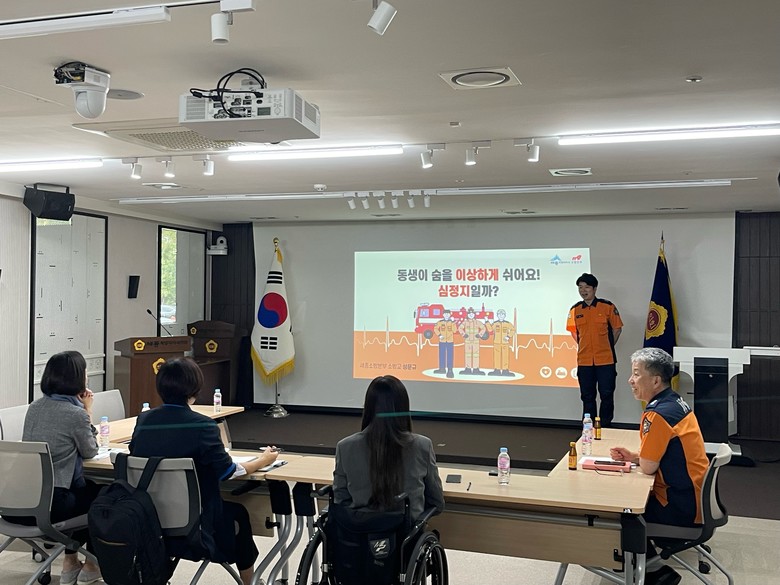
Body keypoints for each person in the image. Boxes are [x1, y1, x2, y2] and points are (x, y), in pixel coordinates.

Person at [129, 358, 278, 585]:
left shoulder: (144, 420)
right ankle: (250, 582)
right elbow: (228, 471)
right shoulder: (203, 425)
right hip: (196, 524)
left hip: (148, 519)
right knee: (238, 513)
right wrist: (263, 460)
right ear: (195, 388)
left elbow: (135, 456)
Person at [610, 348, 708, 585]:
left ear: (655, 381)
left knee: (619, 510)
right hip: (696, 498)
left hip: (680, 506)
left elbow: (648, 468)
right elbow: (662, 455)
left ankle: (656, 572)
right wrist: (635, 456)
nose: (630, 380)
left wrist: (641, 460)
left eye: (636, 374)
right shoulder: (676, 402)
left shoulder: (658, 414)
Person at [17, 351, 102, 585]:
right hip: (51, 505)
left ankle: (70, 562)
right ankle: (91, 564)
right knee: (104, 497)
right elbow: (90, 451)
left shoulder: (35, 407)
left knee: (85, 492)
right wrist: (88, 411)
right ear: (78, 377)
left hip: (19, 503)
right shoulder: (75, 414)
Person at [333, 375, 444, 523]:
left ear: (368, 406)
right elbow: (437, 502)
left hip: (359, 532)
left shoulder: (345, 447)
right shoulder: (422, 446)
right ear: (403, 407)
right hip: (406, 532)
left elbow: (340, 500)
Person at [566, 273, 623, 426]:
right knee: (587, 396)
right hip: (584, 361)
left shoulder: (607, 306)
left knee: (606, 395)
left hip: (606, 360)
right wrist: (584, 346)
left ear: (595, 289)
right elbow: (573, 332)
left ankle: (605, 426)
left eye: (587, 287)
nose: (583, 291)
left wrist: (607, 346)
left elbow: (617, 329)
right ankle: (589, 427)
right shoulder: (575, 310)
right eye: (580, 287)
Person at [485, 309, 515, 376]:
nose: (501, 316)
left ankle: (505, 370)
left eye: (502, 314)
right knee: (497, 357)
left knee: (505, 356)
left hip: (505, 343)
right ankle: (497, 370)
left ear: (505, 315)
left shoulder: (507, 324)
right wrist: (487, 322)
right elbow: (490, 330)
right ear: (497, 315)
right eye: (499, 314)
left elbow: (513, 330)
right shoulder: (495, 324)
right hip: (497, 343)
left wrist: (508, 336)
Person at [458, 307, 486, 375]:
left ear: (474, 314)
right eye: (469, 314)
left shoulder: (477, 322)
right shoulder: (465, 322)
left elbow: (483, 328)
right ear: (467, 315)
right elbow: (460, 328)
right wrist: (463, 334)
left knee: (476, 355)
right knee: (468, 355)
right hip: (468, 341)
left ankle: (476, 369)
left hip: (476, 341)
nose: (471, 315)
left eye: (472, 314)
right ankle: (468, 369)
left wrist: (480, 334)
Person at [433, 309, 457, 378]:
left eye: (448, 314)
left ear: (450, 315)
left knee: (450, 356)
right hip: (442, 341)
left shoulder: (452, 322)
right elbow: (435, 328)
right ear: (443, 315)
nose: (446, 315)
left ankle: (450, 370)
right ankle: (442, 369)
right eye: (445, 314)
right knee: (441, 355)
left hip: (450, 341)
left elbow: (455, 331)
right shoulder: (440, 322)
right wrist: (439, 335)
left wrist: (453, 323)